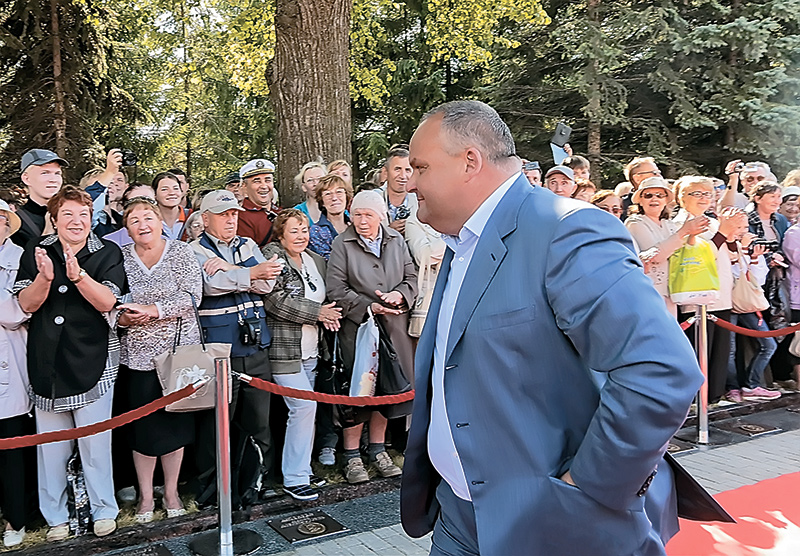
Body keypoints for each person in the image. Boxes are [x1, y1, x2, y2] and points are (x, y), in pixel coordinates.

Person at [400, 100, 704, 555]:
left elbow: (660, 371)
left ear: (470, 162)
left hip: (554, 525)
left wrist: (585, 490)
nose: (410, 181)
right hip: (459, 516)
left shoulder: (566, 230)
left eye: (420, 167)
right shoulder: (462, 240)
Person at [14, 186, 125, 541]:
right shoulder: (36, 251)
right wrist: (45, 278)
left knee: (95, 445)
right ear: (55, 219)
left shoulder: (107, 252)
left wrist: (78, 276)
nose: (76, 222)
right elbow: (26, 305)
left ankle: (103, 510)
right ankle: (56, 518)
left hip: (92, 359)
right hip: (47, 362)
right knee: (51, 448)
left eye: (83, 215)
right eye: (68, 215)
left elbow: (108, 301)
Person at [190, 190, 283, 505]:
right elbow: (208, 287)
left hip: (255, 346)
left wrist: (232, 271)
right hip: (219, 352)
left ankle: (257, 483)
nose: (231, 220)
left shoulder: (247, 245)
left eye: (233, 214)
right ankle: (215, 492)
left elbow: (267, 283)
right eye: (222, 215)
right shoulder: (193, 250)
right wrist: (249, 275)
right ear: (205, 219)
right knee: (218, 426)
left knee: (260, 422)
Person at [116, 197, 203, 522]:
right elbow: (112, 299)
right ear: (127, 228)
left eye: (148, 218)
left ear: (160, 222)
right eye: (134, 220)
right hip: (137, 358)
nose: (142, 225)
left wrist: (153, 311)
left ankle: (170, 491)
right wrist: (123, 319)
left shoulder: (180, 252)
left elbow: (193, 295)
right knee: (142, 430)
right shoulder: (120, 257)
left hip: (177, 357)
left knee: (174, 429)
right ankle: (144, 496)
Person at [326, 190, 417, 485]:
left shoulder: (396, 240)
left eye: (368, 215)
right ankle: (352, 456)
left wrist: (399, 295)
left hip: (394, 327)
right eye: (358, 214)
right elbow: (336, 288)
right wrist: (368, 306)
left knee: (388, 389)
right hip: (360, 330)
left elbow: (411, 277)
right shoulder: (343, 243)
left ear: (380, 216)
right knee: (359, 390)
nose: (362, 221)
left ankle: (378, 450)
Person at [262, 209, 342, 501]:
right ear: (280, 233)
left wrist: (329, 315)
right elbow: (275, 301)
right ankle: (294, 479)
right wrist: (318, 313)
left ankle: (303, 471)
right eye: (294, 230)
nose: (301, 235)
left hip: (311, 350)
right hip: (284, 350)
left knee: (305, 413)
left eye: (304, 229)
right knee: (303, 408)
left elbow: (325, 298)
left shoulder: (315, 260)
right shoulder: (272, 257)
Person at [673, 177, 741, 404]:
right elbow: (698, 258)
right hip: (696, 299)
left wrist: (730, 235)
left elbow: (731, 255)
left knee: (719, 354)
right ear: (682, 197)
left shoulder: (712, 222)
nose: (704, 198)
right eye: (697, 193)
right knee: (699, 353)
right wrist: (723, 232)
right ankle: (694, 401)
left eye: (707, 193)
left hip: (721, 296)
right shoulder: (681, 223)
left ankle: (712, 399)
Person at [624, 176, 709, 317]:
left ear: (665, 200)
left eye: (660, 195)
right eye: (648, 195)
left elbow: (682, 253)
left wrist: (693, 234)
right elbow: (655, 256)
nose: (654, 199)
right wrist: (685, 231)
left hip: (672, 290)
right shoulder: (634, 222)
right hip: (650, 290)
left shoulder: (668, 224)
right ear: (640, 200)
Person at [0, 202, 31, 547]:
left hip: (13, 361)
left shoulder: (21, 257)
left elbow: (17, 310)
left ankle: (16, 519)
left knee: (14, 447)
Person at [11, 149, 68, 248]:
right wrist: (47, 233)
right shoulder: (16, 222)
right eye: (45, 173)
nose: (53, 179)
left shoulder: (73, 212)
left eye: (57, 173)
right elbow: (23, 261)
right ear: (26, 178)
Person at [237, 159, 282, 246]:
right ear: (244, 187)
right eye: (257, 181)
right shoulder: (241, 217)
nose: (264, 186)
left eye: (268, 180)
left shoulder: (280, 212)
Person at [308, 174, 353, 261]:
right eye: (328, 194)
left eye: (339, 192)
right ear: (322, 201)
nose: (334, 198)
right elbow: (329, 261)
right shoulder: (315, 232)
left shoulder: (356, 226)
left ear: (346, 197)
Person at [380, 146, 414, 234]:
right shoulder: (373, 202)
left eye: (407, 170)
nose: (403, 176)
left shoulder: (421, 204)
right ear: (385, 172)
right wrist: (387, 232)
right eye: (397, 169)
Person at [153, 172, 190, 241]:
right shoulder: (149, 220)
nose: (172, 193)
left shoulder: (191, 217)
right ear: (155, 194)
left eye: (175, 188)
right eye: (164, 189)